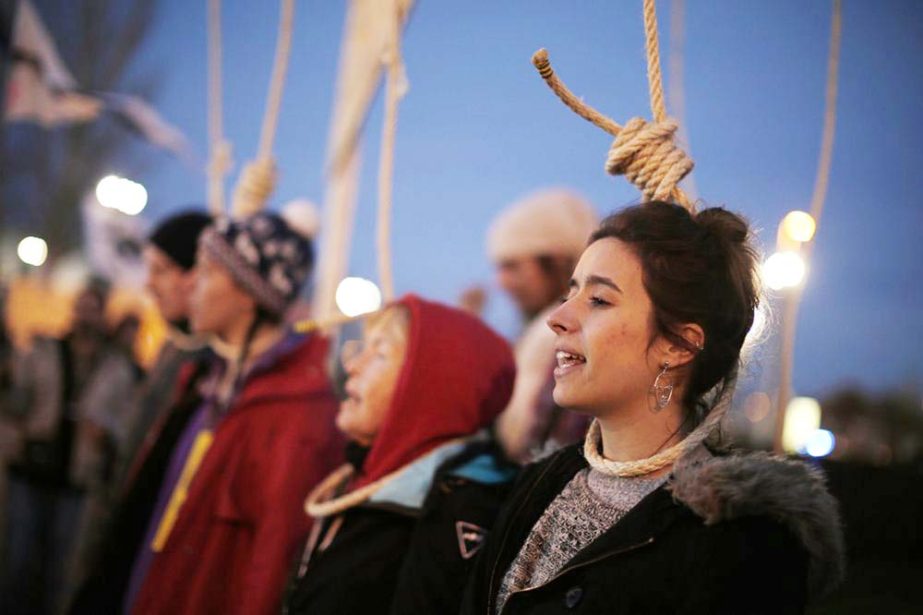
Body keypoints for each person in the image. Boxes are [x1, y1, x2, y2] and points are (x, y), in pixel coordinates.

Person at [461, 202, 845, 614]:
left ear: (678, 345)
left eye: (599, 300)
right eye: (570, 293)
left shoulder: (741, 541)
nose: (558, 317)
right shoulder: (539, 483)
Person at [126, 213, 343, 615]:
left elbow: (270, 567)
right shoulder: (211, 382)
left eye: (207, 273)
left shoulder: (298, 416)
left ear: (248, 293)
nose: (194, 289)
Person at [282, 294, 518, 615]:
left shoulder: (450, 520)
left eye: (378, 354)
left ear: (428, 387)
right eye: (360, 348)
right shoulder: (362, 477)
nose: (352, 366)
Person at [68, 210, 213, 614]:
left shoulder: (209, 371)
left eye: (162, 270)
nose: (149, 284)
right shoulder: (174, 349)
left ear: (196, 275)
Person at [1, 280, 137, 615]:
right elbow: (18, 402)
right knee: (19, 561)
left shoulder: (115, 367)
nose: (86, 315)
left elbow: (124, 420)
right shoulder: (46, 351)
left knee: (59, 569)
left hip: (75, 479)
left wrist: (106, 435)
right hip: (32, 467)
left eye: (94, 308)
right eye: (82, 306)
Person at [484, 188, 599, 462]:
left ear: (557, 263)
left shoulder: (574, 335)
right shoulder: (533, 336)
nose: (502, 282)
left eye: (513, 266)